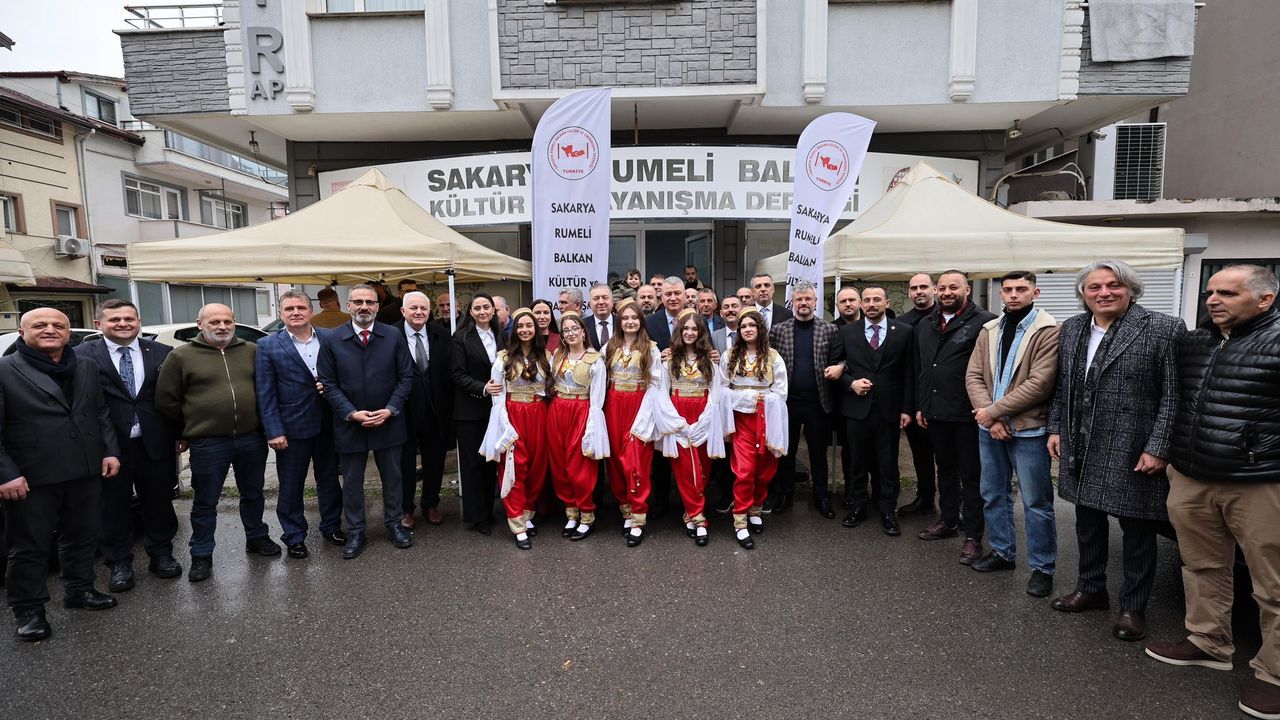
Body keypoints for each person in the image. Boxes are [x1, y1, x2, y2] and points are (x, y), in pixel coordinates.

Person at [1145, 265, 1280, 719]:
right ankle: (1208, 641)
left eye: (1227, 293)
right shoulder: (1196, 342)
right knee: (1202, 565)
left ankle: (1275, 673)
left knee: (1272, 584)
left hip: (1258, 481)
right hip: (1193, 475)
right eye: (1210, 292)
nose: (1213, 300)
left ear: (1264, 299)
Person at [1047, 259, 1185, 642]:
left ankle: (1133, 608)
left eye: (1113, 285)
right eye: (1094, 287)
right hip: (1082, 443)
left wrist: (1158, 447)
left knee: (1137, 530)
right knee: (1087, 522)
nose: (1104, 293)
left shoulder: (1163, 328)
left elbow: (1174, 395)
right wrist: (1055, 428)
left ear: (1130, 289)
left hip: (1132, 445)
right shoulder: (1072, 328)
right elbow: (1063, 386)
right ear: (1083, 293)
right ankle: (1091, 589)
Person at [1, 308, 121, 641]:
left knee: (82, 535)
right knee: (29, 546)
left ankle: (79, 590)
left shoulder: (85, 365)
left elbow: (99, 411)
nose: (50, 329)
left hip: (85, 468)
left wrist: (109, 450)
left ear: (68, 333)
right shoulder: (5, 370)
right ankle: (29, 610)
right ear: (22, 332)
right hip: (31, 475)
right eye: (40, 325)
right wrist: (5, 474)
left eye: (58, 325)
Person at [156, 303, 279, 583]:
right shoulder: (181, 356)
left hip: (251, 437)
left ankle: (257, 537)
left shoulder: (251, 350)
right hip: (208, 441)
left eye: (227, 321)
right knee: (206, 500)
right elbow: (166, 399)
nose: (222, 327)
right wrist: (185, 429)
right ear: (200, 324)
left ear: (234, 322)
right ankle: (201, 554)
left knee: (253, 493)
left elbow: (266, 388)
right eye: (214, 322)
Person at [963, 272, 1060, 598]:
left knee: (1036, 502)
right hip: (990, 428)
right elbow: (973, 375)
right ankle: (1003, 552)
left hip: (1029, 430)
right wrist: (989, 417)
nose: (1014, 295)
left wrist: (993, 411)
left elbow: (1040, 384)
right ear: (1001, 294)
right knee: (993, 494)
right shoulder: (990, 329)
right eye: (1008, 290)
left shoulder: (1048, 330)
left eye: (1021, 289)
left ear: (1035, 292)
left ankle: (1043, 567)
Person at [78, 299, 180, 591]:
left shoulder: (162, 352)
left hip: (154, 441)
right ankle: (119, 563)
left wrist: (180, 433)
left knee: (159, 502)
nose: (122, 324)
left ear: (139, 322)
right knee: (112, 507)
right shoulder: (81, 355)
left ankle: (161, 554)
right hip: (108, 446)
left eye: (129, 319)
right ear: (99, 324)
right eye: (114, 320)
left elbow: (173, 396)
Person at [317, 285, 415, 560]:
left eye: (369, 302)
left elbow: (405, 377)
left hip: (389, 420)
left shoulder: (393, 335)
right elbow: (328, 382)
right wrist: (351, 413)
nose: (364, 307)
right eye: (358, 302)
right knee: (351, 482)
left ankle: (394, 525)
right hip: (350, 423)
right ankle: (357, 531)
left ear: (377, 306)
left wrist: (391, 409)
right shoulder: (332, 338)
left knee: (393, 478)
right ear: (348, 305)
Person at [913, 270, 997, 565]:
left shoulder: (985, 322)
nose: (947, 292)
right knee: (945, 470)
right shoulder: (926, 323)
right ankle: (948, 521)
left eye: (954, 287)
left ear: (967, 290)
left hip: (968, 413)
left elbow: (990, 369)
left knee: (971, 476)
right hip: (936, 411)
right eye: (943, 288)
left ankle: (973, 536)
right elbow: (924, 368)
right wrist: (922, 405)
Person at [254, 291, 345, 560]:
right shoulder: (267, 345)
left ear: (311, 311)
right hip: (292, 428)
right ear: (281, 313)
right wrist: (274, 430)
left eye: (301, 307)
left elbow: (345, 374)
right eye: (289, 308)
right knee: (291, 485)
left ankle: (331, 526)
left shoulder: (330, 338)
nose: (296, 312)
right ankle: (294, 536)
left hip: (329, 424)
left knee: (329, 480)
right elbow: (265, 393)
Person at [602, 300, 682, 547]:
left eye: (634, 318)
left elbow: (657, 384)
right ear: (619, 322)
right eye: (625, 318)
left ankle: (638, 516)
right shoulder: (609, 347)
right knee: (616, 461)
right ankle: (626, 509)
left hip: (640, 405)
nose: (630, 322)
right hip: (614, 405)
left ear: (641, 321)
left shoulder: (651, 348)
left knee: (635, 461)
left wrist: (648, 414)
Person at [837, 286, 914, 536]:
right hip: (856, 409)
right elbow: (836, 366)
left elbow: (909, 373)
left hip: (889, 410)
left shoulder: (904, 332)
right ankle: (858, 505)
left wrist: (907, 408)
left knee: (888, 463)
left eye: (877, 300)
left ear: (887, 303)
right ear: (861, 304)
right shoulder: (847, 332)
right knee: (856, 461)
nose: (871, 304)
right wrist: (850, 383)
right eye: (867, 300)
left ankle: (888, 509)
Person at [769, 281, 843, 518]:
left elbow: (841, 359)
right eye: (799, 299)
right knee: (786, 451)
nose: (803, 303)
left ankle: (821, 496)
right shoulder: (778, 331)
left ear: (815, 302)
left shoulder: (829, 330)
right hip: (787, 402)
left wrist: (841, 366)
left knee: (818, 452)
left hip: (818, 402)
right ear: (792, 302)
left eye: (808, 299)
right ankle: (784, 494)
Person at [479, 307, 552, 550]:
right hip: (513, 415)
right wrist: (504, 423)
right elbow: (497, 395)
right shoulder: (503, 358)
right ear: (514, 330)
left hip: (539, 415)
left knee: (537, 468)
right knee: (514, 467)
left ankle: (527, 513)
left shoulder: (546, 356)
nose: (525, 330)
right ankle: (517, 522)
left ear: (536, 329)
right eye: (520, 326)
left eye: (529, 325)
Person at [659, 309, 727, 546]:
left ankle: (689, 511)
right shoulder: (669, 360)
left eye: (694, 329)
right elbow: (662, 393)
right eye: (685, 328)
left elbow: (715, 393)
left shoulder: (710, 360)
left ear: (701, 333)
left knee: (702, 469)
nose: (689, 332)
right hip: (678, 415)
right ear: (679, 331)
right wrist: (677, 423)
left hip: (703, 416)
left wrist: (704, 421)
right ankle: (699, 518)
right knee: (685, 470)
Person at [721, 308, 788, 549]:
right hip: (741, 420)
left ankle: (756, 508)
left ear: (760, 328)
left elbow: (781, 391)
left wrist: (763, 400)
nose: (748, 329)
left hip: (767, 417)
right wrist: (749, 398)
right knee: (745, 470)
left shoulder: (773, 357)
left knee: (765, 469)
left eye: (752, 325)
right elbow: (722, 388)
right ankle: (740, 520)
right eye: (743, 326)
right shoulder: (730, 355)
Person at [547, 312, 609, 540]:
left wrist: (591, 424)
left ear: (583, 331)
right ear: (562, 336)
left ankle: (587, 515)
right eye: (566, 330)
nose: (571, 333)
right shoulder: (557, 356)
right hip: (557, 411)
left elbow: (598, 396)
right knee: (560, 465)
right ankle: (571, 512)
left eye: (575, 328)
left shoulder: (595, 359)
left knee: (580, 466)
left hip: (581, 411)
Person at [397, 291, 453, 530]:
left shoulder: (443, 335)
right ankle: (405, 508)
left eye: (423, 308)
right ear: (403, 311)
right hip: (403, 411)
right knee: (404, 463)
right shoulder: (390, 335)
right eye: (413, 308)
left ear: (430, 311)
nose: (419, 312)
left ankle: (430, 503)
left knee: (435, 461)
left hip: (435, 410)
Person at [451, 293, 504, 535]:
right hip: (470, 410)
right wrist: (483, 388)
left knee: (491, 462)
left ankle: (488, 511)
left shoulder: (502, 336)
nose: (482, 311)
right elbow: (457, 374)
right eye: (477, 308)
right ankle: (476, 516)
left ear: (493, 310)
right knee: (473, 464)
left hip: (497, 409)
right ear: (470, 312)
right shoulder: (461, 337)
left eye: (486, 307)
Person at [896, 273, 939, 516]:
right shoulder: (901, 324)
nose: (919, 291)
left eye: (924, 286)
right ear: (909, 293)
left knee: (949, 459)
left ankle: (957, 505)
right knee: (921, 457)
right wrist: (907, 406)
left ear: (934, 289)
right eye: (914, 288)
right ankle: (925, 499)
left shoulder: (947, 318)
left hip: (944, 402)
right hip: (913, 400)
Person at [830, 286, 864, 508]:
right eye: (843, 301)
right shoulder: (833, 330)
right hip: (846, 399)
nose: (848, 304)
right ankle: (852, 493)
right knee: (850, 450)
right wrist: (847, 375)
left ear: (859, 302)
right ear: (837, 306)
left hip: (875, 397)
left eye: (852, 299)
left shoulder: (875, 325)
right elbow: (832, 362)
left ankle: (877, 494)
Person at [646, 276, 688, 351]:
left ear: (685, 296)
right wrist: (658, 356)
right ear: (662, 297)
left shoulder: (698, 321)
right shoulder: (650, 322)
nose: (673, 298)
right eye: (668, 294)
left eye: (677, 293)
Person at [586, 282, 616, 350]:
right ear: (590, 304)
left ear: (612, 302)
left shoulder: (622, 323)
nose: (601, 302)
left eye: (605, 298)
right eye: (596, 298)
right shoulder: (582, 325)